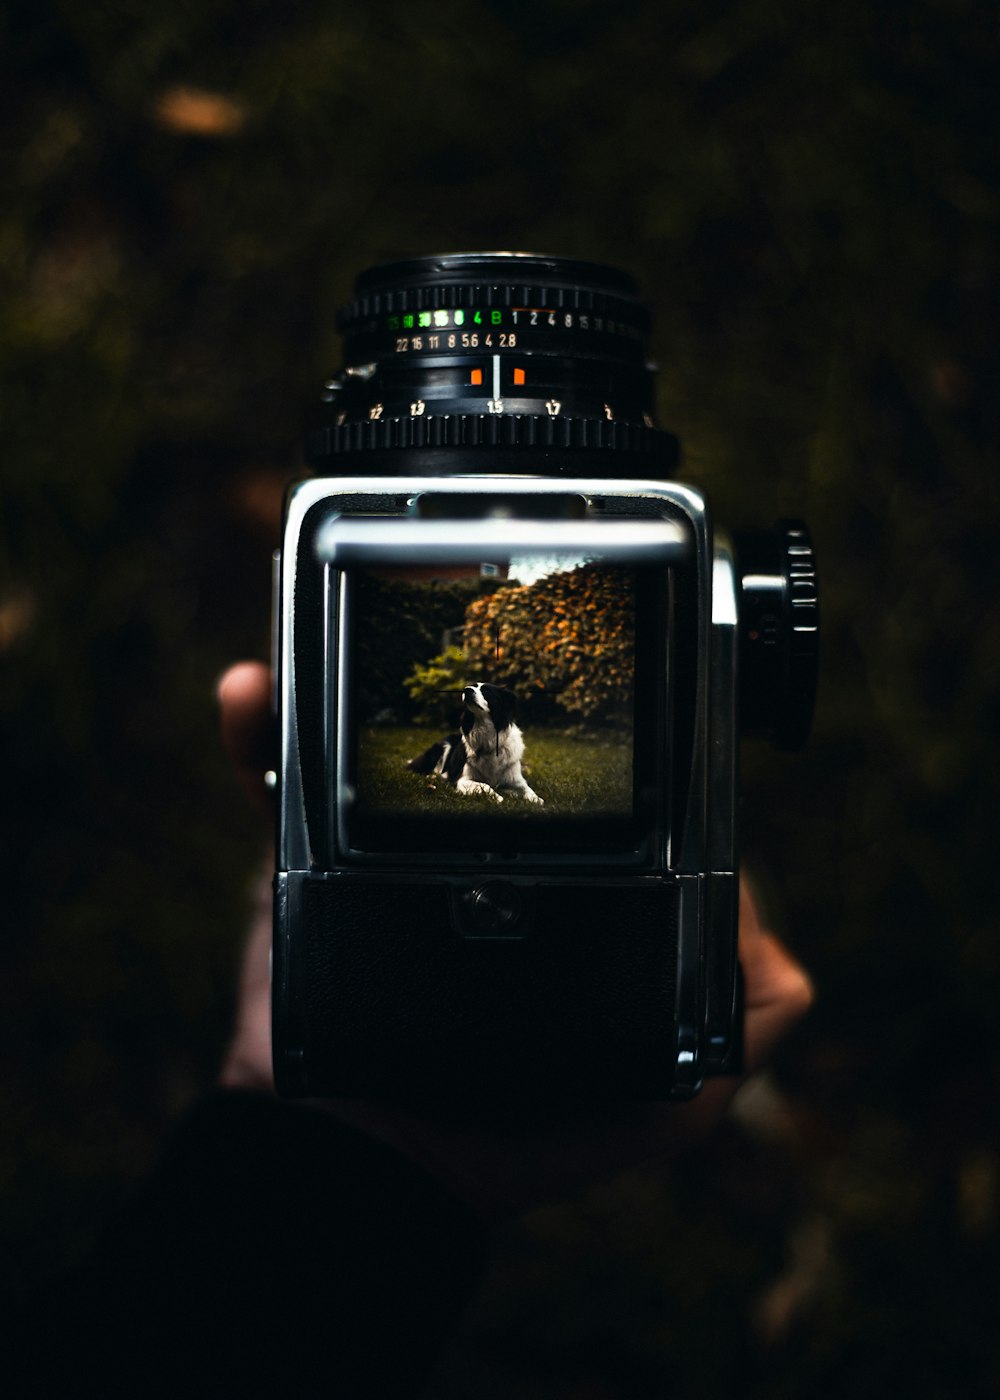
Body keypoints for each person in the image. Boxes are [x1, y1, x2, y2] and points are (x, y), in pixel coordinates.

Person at [13, 662, 813, 1399]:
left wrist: (338, 1144)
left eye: (477, 713)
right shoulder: (460, 756)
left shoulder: (514, 748)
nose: (471, 722)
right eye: (463, 714)